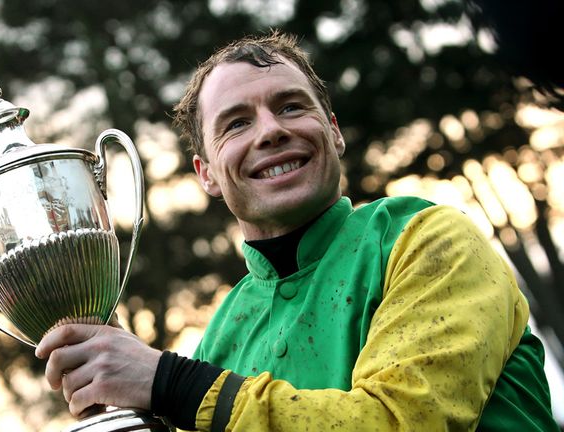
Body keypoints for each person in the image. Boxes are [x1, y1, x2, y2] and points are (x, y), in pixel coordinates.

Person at [35, 32, 558, 431]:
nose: (271, 130)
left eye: (290, 106)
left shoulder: (428, 239)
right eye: (236, 123)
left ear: (332, 129)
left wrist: (170, 383)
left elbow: (401, 421)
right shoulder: (221, 334)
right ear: (207, 174)